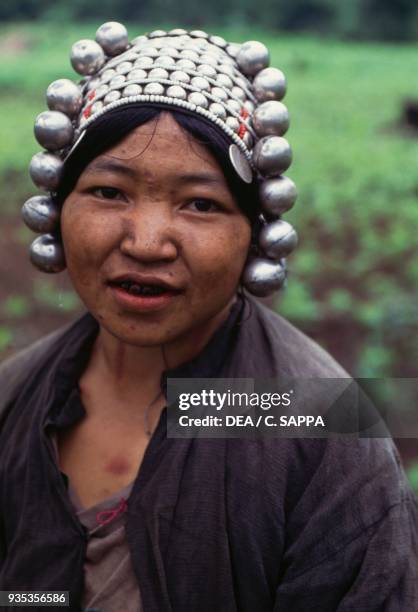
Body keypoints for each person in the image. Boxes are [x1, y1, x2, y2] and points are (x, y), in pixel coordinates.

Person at [0, 22, 417, 612]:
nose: (147, 242)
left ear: (255, 233)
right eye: (109, 192)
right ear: (57, 207)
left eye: (200, 203)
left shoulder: (316, 427)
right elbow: (21, 594)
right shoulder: (19, 398)